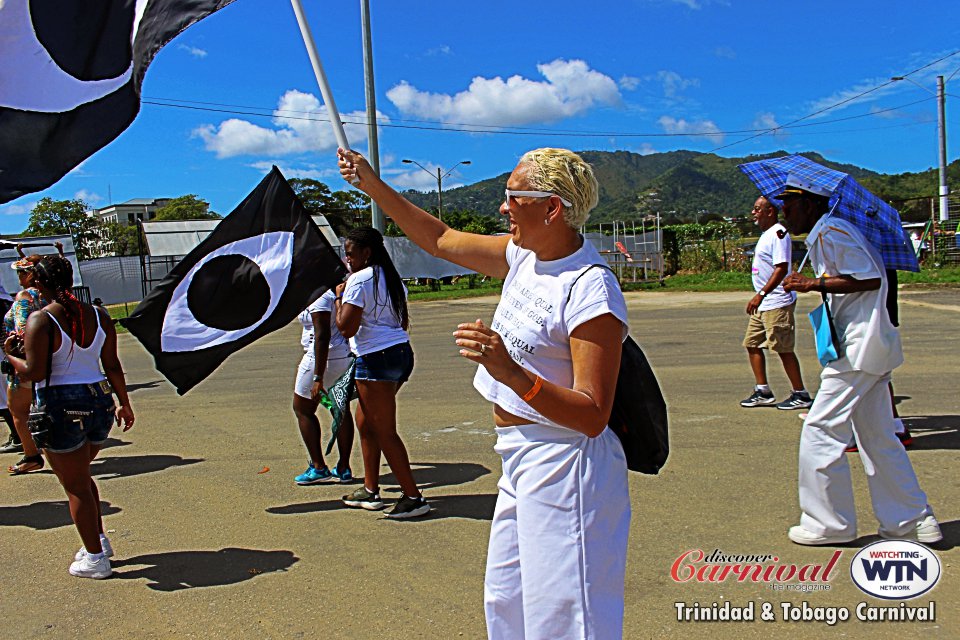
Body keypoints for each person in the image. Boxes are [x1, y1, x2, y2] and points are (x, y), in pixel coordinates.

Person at [339, 148, 630, 639]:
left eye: (513, 197)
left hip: (566, 462)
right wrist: (373, 186)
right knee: (507, 601)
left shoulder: (589, 288)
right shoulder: (525, 256)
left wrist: (511, 371)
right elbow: (441, 238)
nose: (503, 207)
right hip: (519, 459)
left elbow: (593, 414)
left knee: (565, 616)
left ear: (551, 208)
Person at [779, 183, 941, 546]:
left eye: (788, 205)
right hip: (867, 347)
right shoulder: (829, 231)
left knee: (820, 429)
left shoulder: (833, 230)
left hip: (858, 349)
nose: (783, 213)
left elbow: (868, 276)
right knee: (878, 437)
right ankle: (912, 520)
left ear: (808, 204)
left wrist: (811, 284)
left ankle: (829, 523)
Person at [2, 254, 134, 578]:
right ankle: (98, 541)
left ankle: (95, 559)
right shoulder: (100, 316)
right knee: (83, 480)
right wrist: (125, 402)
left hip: (61, 405)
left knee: (74, 485)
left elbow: (35, 371)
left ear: (38, 282)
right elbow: (112, 364)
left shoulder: (41, 320)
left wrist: (8, 356)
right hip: (100, 400)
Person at [334, 227, 429, 518]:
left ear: (366, 253)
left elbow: (346, 327)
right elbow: (401, 321)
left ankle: (413, 497)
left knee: (383, 430)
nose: (348, 260)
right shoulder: (393, 279)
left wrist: (339, 299)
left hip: (375, 359)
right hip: (400, 354)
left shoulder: (358, 281)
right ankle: (370, 488)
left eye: (350, 254)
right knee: (365, 422)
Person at [740, 196, 812, 410]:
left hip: (776, 301)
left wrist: (761, 293)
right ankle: (762, 390)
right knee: (752, 344)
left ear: (770, 211)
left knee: (783, 348)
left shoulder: (779, 234)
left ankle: (801, 393)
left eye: (757, 209)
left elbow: (781, 268)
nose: (753, 213)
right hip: (763, 304)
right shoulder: (766, 235)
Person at [291, 289, 355, 485]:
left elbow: (322, 335)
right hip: (342, 355)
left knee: (302, 409)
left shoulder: (318, 295)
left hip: (320, 358)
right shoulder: (334, 292)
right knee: (340, 410)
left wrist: (318, 377)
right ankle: (343, 468)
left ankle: (318, 467)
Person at [4, 254, 46, 473]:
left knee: (18, 411)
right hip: (52, 360)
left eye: (21, 272)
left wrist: (13, 354)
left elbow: (23, 331)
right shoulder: (53, 295)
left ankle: (32, 455)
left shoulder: (25, 297)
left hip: (26, 362)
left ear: (30, 274)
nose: (18, 276)